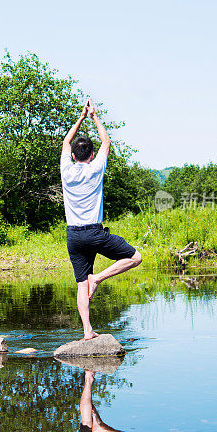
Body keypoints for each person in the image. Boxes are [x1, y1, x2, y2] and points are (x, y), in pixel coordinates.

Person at [61, 99, 142, 339]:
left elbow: (66, 141)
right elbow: (107, 141)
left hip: (73, 235)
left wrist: (81, 117)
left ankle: (87, 331)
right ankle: (98, 278)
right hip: (94, 233)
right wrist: (94, 116)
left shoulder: (66, 170)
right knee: (135, 257)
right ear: (92, 154)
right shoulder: (96, 168)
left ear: (74, 156)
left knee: (80, 284)